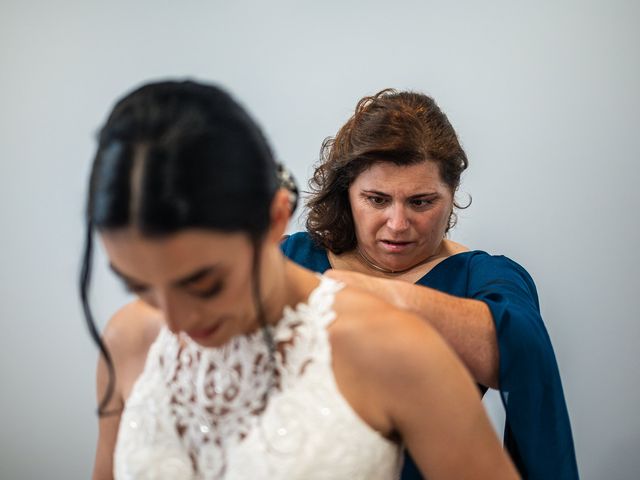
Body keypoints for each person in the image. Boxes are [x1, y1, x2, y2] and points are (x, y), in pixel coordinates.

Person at [80, 80, 519, 480]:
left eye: (204, 284)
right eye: (140, 286)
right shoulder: (128, 339)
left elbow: (512, 347)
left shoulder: (399, 349)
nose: (174, 323)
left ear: (273, 220)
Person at [281, 89, 579, 480]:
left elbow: (520, 348)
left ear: (452, 195)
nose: (398, 223)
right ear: (347, 194)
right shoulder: (291, 258)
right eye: (376, 199)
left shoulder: (484, 278)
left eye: (421, 202)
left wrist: (354, 292)